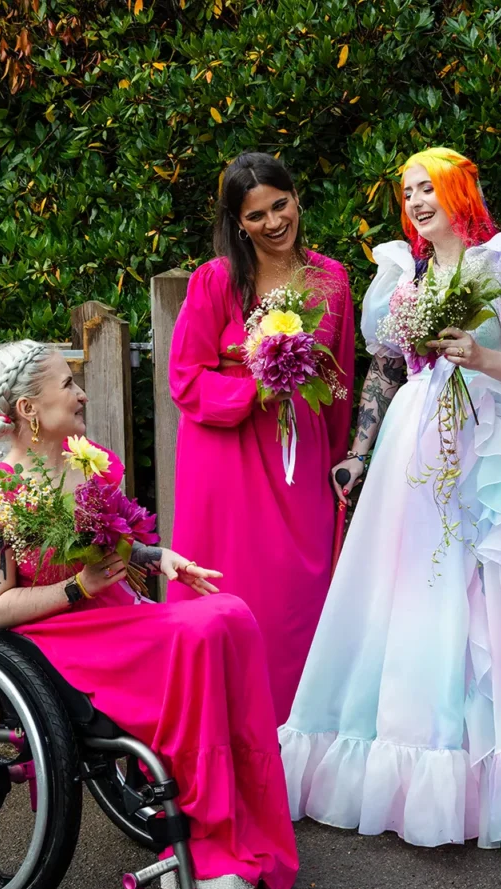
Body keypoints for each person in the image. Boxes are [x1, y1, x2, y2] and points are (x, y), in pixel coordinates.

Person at [279, 147, 501, 850]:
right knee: (416, 594)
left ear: (460, 190)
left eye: (429, 187)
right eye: (408, 191)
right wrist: (360, 453)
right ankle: (415, 758)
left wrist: (480, 357)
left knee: (493, 590)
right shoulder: (404, 274)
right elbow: (388, 370)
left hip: (494, 446)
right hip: (413, 453)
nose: (418, 200)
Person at [0, 339, 297, 889]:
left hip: (119, 622)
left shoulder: (88, 465)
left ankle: (242, 832)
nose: (81, 393)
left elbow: (112, 552)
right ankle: (207, 841)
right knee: (199, 632)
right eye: (67, 384)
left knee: (231, 616)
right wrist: (77, 589)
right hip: (62, 646)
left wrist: (158, 558)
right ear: (28, 410)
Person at [168, 152, 357, 724]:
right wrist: (254, 392)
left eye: (281, 205)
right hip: (224, 459)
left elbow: (339, 375)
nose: (274, 222)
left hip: (302, 455)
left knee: (299, 594)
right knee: (230, 593)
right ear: (237, 222)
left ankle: (294, 739)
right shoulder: (216, 281)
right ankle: (217, 734)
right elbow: (185, 376)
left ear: (297, 198)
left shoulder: (332, 278)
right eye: (256, 215)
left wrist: (343, 456)